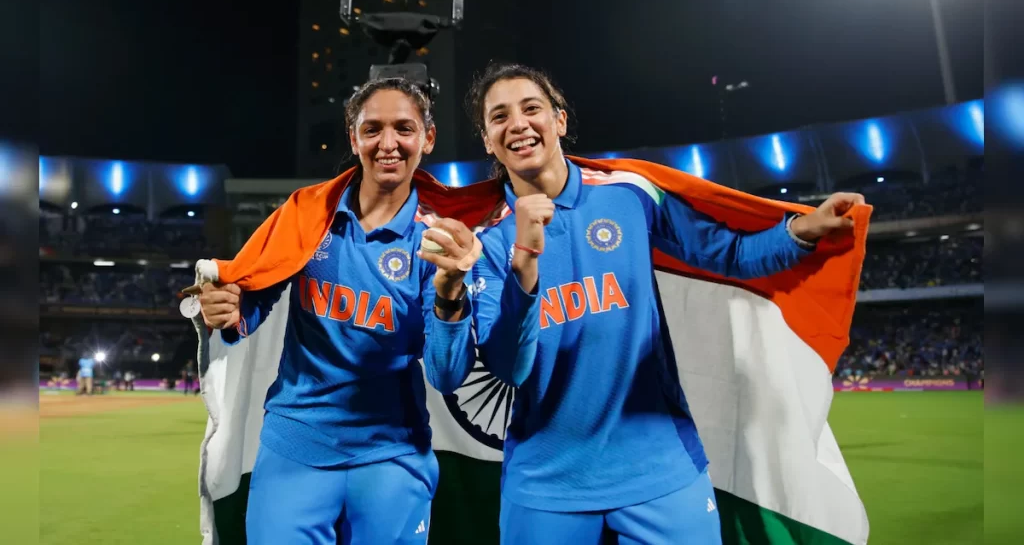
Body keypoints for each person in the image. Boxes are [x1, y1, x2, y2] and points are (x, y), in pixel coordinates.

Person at [465, 62, 865, 545]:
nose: (519, 124)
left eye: (532, 109)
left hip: (659, 470)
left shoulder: (628, 195)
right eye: (499, 116)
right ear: (487, 139)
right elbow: (508, 366)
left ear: (560, 121)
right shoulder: (486, 245)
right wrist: (524, 261)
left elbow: (726, 253)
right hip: (547, 484)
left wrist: (801, 231)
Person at [197, 77, 478, 545]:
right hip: (296, 446)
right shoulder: (308, 214)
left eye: (404, 129)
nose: (388, 144)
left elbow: (448, 376)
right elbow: (253, 293)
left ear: (427, 139)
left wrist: (451, 292)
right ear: (353, 138)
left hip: (392, 454)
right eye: (373, 129)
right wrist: (228, 307)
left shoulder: (439, 241)